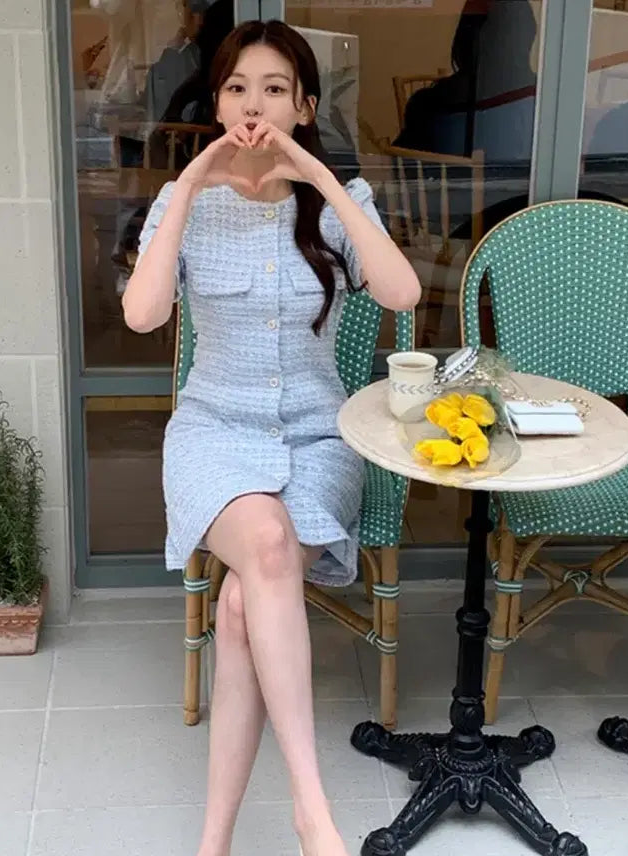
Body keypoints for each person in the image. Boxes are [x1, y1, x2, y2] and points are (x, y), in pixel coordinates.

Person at [122, 20, 420, 856]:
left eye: (275, 89)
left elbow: (400, 293)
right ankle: (312, 812)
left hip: (320, 440)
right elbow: (142, 314)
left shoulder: (337, 204)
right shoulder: (185, 205)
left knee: (244, 599)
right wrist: (192, 180)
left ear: (304, 107)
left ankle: (214, 843)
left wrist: (317, 174)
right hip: (214, 434)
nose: (254, 105)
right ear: (218, 104)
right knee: (267, 549)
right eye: (237, 87)